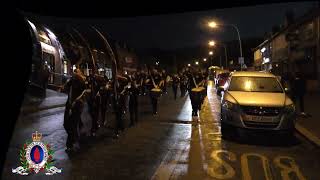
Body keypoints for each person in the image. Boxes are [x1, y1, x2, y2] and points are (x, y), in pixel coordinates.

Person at [63, 68, 86, 152]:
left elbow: (83, 92)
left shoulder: (81, 81)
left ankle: (70, 144)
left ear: (79, 73)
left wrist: (76, 101)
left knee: (72, 124)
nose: (75, 72)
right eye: (74, 71)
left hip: (77, 105)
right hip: (69, 104)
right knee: (66, 124)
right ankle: (75, 138)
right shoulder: (71, 81)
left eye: (77, 71)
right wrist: (67, 82)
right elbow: (65, 89)